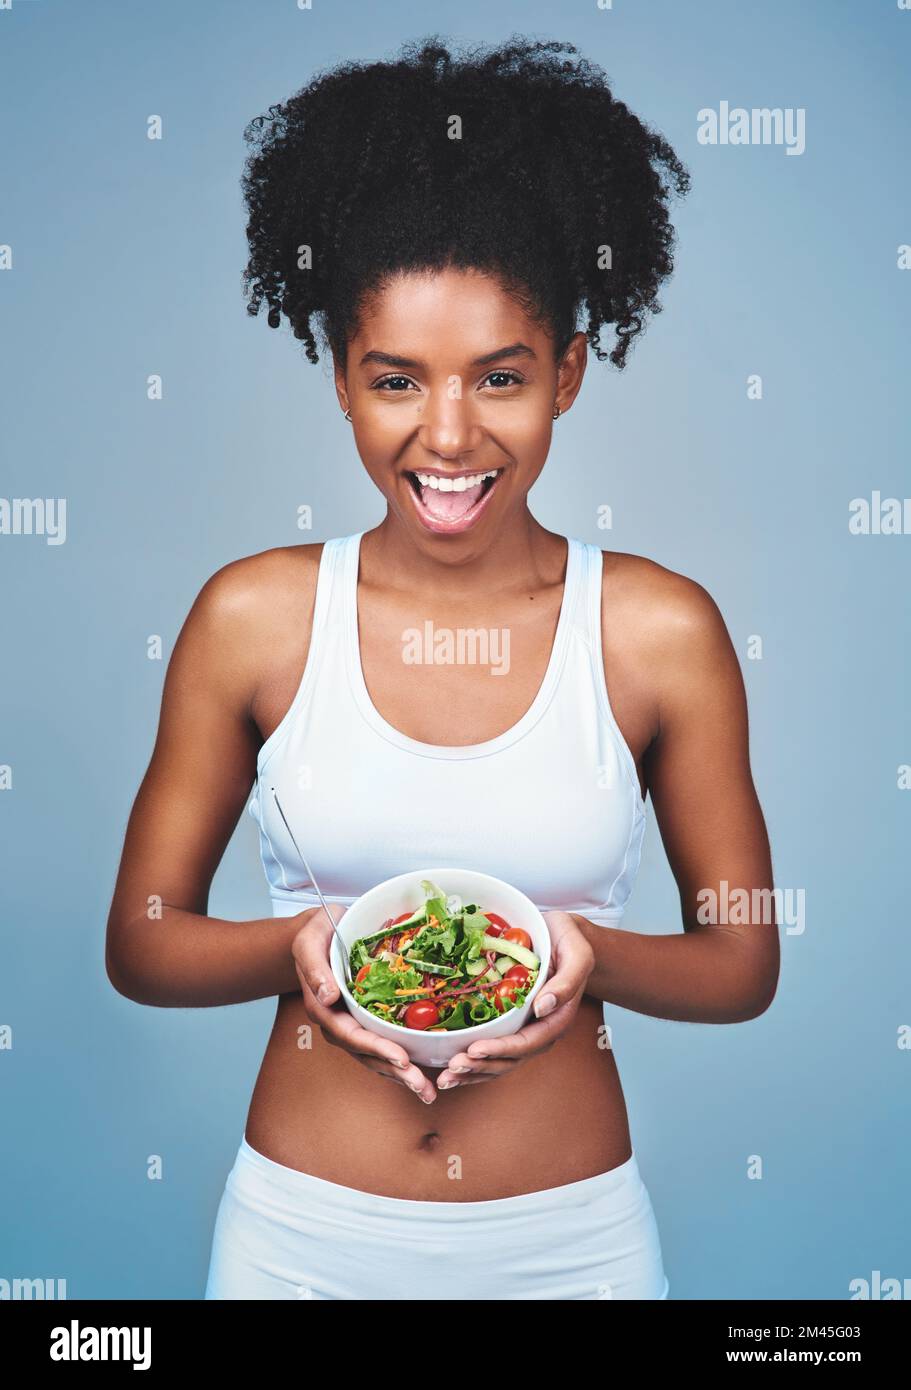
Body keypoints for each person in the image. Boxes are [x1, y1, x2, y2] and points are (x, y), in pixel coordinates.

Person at [105, 36, 779, 1300]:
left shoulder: (657, 631)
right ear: (342, 384)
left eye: (502, 378)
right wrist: (300, 945)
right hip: (301, 1243)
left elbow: (740, 958)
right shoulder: (252, 617)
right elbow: (143, 942)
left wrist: (588, 958)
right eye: (397, 380)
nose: (450, 434)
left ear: (569, 374)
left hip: (568, 1247)